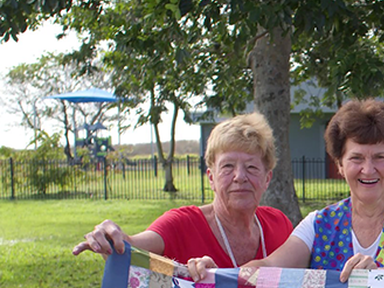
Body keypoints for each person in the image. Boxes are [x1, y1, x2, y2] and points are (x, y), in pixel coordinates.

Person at [187, 99, 384, 282]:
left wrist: (377, 276)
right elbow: (270, 266)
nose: (368, 170)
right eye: (356, 158)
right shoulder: (318, 224)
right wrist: (218, 275)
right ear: (340, 165)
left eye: (379, 157)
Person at [72, 113, 294, 266]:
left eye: (251, 167)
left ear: (267, 178)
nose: (239, 177)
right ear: (211, 178)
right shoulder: (181, 224)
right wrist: (111, 238)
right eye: (227, 166)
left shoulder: (280, 225)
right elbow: (131, 250)